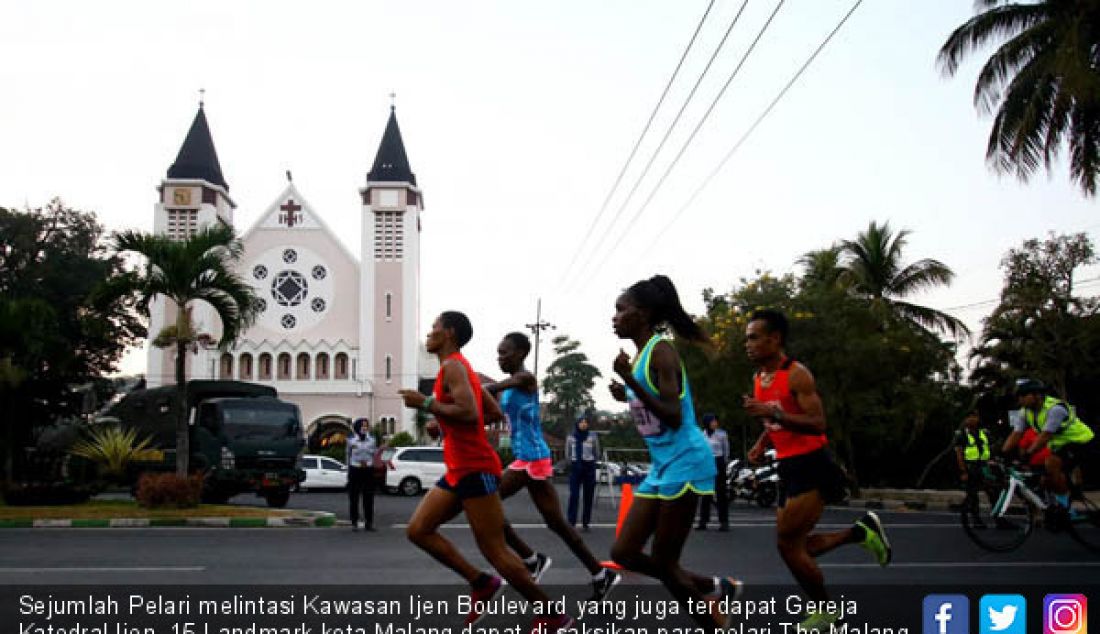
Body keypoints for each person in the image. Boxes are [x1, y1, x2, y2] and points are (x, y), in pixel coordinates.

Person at [398, 312, 572, 634]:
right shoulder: (457, 368)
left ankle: (552, 615)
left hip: (475, 467)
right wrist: (445, 423)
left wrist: (426, 405)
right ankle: (481, 582)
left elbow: (469, 411)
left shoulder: (453, 366)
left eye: (435, 328)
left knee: (495, 550)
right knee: (419, 530)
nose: (429, 333)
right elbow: (490, 411)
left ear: (449, 333)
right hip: (459, 468)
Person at [607, 275, 742, 630]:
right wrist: (627, 395)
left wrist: (630, 382)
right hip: (663, 467)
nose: (614, 317)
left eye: (621, 310)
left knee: (666, 564)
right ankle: (715, 587)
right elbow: (652, 409)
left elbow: (672, 414)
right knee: (623, 553)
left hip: (688, 462)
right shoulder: (638, 357)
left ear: (644, 313)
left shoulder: (661, 350)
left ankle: (714, 621)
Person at [742, 308, 890, 630]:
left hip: (811, 464)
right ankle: (860, 532)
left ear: (775, 338)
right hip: (787, 466)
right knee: (795, 546)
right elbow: (775, 419)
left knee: (787, 544)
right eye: (747, 338)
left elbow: (817, 423)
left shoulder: (797, 374)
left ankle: (826, 612)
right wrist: (762, 441)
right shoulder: (758, 379)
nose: (747, 344)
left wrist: (773, 414)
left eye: (754, 337)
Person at [481, 332, 621, 600]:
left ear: (521, 353)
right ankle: (600, 574)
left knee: (486, 501)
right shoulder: (509, 388)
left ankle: (531, 559)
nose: (500, 358)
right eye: (497, 353)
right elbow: (493, 413)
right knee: (556, 523)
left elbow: (492, 388)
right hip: (529, 457)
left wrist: (474, 387)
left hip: (531, 458)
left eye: (505, 353)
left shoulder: (526, 379)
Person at [1002, 378, 1096, 510]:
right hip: (1061, 446)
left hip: (1081, 441)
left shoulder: (1055, 409)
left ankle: (1067, 508)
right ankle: (1062, 500)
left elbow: (1045, 436)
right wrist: (1002, 453)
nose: (1020, 399)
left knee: (1051, 464)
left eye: (1023, 396)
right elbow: (1016, 434)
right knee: (1045, 479)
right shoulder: (1025, 412)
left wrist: (1027, 455)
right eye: (1018, 396)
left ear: (1037, 395)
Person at [953, 407, 993, 527]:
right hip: (971, 466)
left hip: (984, 466)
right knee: (972, 494)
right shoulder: (961, 434)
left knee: (993, 492)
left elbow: (990, 448)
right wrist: (963, 471)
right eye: (969, 417)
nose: (972, 419)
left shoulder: (984, 432)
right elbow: (959, 454)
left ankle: (999, 518)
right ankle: (976, 519)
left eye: (975, 416)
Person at [565, 414, 599, 531]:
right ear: (577, 424)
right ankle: (571, 521)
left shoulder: (593, 436)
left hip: (589, 466)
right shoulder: (571, 437)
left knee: (588, 496)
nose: (583, 424)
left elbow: (596, 452)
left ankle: (586, 522)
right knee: (574, 495)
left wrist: (591, 463)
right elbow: (568, 454)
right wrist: (573, 463)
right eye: (581, 422)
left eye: (586, 422)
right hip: (575, 466)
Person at [696, 413, 730, 531]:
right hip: (706, 463)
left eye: (716, 421)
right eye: (713, 421)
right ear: (707, 423)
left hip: (718, 462)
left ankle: (724, 522)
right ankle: (703, 521)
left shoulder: (722, 434)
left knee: (721, 493)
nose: (715, 423)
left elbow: (726, 450)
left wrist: (723, 464)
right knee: (706, 493)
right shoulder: (701, 435)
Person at [346, 418, 377, 532]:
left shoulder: (372, 440)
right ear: (357, 427)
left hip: (368, 470)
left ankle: (369, 523)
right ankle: (354, 523)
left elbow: (374, 453)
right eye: (362, 426)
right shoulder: (351, 440)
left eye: (366, 426)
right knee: (354, 498)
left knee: (368, 497)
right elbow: (348, 455)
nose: (364, 428)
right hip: (355, 470)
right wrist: (348, 471)